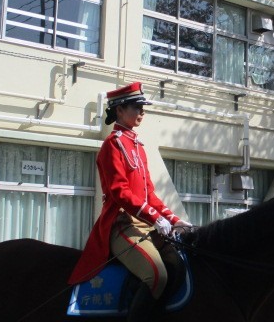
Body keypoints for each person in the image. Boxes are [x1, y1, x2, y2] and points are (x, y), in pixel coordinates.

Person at [68, 82, 191, 322]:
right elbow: (119, 192)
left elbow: (149, 194)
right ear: (120, 110)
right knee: (157, 275)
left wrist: (174, 219)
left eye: (143, 108)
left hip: (147, 225)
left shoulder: (138, 147)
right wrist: (154, 217)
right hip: (122, 224)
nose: (142, 112)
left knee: (177, 266)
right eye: (137, 107)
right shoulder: (112, 145)